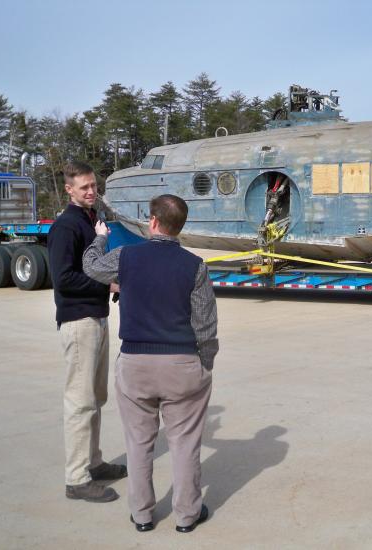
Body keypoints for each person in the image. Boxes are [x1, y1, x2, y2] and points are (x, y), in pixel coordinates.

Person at [82, 194, 218, 533]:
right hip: (181, 365)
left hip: (136, 363)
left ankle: (142, 514)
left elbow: (91, 266)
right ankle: (187, 515)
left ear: (152, 221)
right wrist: (205, 364)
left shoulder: (126, 256)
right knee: (185, 444)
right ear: (180, 227)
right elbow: (205, 324)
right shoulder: (195, 266)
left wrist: (100, 236)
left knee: (139, 443)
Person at [47, 161, 127, 503]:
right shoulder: (66, 226)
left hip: (96, 318)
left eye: (93, 185)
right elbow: (63, 278)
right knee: (80, 401)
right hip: (79, 321)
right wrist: (108, 286)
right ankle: (76, 478)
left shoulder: (91, 221)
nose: (91, 191)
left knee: (96, 397)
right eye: (84, 188)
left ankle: (93, 462)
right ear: (69, 189)